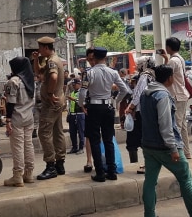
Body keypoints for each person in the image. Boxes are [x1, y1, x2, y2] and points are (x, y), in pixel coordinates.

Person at [141, 65, 192, 217]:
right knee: (186, 178)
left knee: (149, 182)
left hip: (148, 145)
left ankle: (149, 215)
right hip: (166, 147)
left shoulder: (145, 94)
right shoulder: (162, 96)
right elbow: (166, 125)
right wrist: (173, 148)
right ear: (169, 78)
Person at [79, 47, 128, 182]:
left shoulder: (89, 73)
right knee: (108, 139)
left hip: (93, 108)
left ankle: (100, 172)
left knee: (94, 140)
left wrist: (81, 104)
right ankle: (112, 171)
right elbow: (124, 90)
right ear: (105, 58)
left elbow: (83, 92)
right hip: (108, 107)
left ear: (93, 58)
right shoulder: (113, 72)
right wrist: (115, 102)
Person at [31, 36, 66, 180]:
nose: (38, 50)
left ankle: (50, 165)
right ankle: (60, 163)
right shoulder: (53, 59)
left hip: (51, 104)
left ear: (45, 48)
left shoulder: (52, 62)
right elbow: (39, 73)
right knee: (58, 132)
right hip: (58, 102)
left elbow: (52, 77)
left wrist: (50, 93)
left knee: (43, 132)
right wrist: (35, 59)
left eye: (40, 48)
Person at [3, 56, 36, 187]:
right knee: (28, 145)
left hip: (17, 118)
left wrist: (8, 120)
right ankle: (29, 174)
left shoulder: (14, 81)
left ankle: (17, 175)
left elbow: (10, 103)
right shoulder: (30, 80)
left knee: (17, 147)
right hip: (29, 117)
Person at [159, 37, 192, 159]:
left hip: (177, 95)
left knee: (176, 125)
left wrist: (166, 60)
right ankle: (186, 152)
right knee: (182, 125)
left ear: (168, 47)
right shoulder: (180, 58)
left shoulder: (173, 61)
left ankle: (178, 153)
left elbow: (165, 75)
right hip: (182, 94)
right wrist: (166, 59)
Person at [124, 56, 156, 174]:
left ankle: (145, 163)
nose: (137, 66)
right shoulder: (153, 76)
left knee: (138, 139)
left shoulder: (144, 77)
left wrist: (130, 107)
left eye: (139, 64)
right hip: (149, 111)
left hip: (141, 112)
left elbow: (138, 95)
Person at [66, 79, 85, 155]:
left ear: (79, 84)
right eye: (73, 85)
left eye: (75, 84)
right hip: (72, 115)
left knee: (81, 132)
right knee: (72, 132)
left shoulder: (82, 93)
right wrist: (69, 114)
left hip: (80, 114)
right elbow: (70, 105)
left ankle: (81, 148)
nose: (73, 86)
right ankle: (74, 147)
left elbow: (82, 102)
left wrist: (73, 99)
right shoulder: (72, 93)